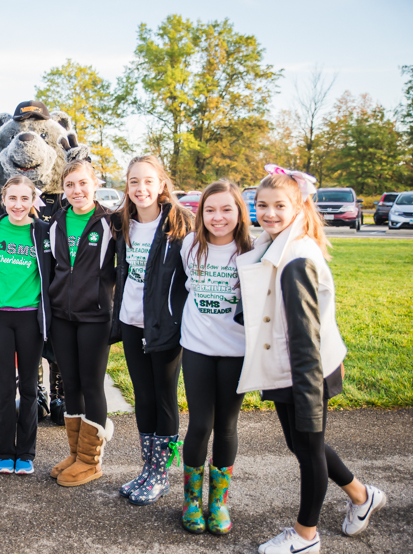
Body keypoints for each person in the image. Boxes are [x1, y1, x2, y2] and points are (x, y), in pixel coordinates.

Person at [238, 166, 386, 554]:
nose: (269, 213)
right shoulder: (275, 243)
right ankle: (362, 496)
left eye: (279, 206)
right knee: (303, 445)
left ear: (298, 206)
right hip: (288, 365)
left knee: (308, 451)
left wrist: (308, 400)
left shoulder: (296, 259)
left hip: (306, 372)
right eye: (262, 205)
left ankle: (306, 536)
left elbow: (305, 341)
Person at [110, 154, 192, 505]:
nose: (141, 188)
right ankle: (147, 469)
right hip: (131, 321)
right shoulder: (123, 223)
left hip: (165, 327)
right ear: (127, 187)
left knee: (163, 397)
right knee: (142, 396)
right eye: (134, 182)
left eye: (148, 181)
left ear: (161, 185)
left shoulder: (179, 225)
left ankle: (161, 475)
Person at [179, 180, 253, 535]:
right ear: (201, 214)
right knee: (199, 424)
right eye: (210, 210)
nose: (217, 217)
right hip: (197, 347)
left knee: (226, 426)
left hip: (237, 351)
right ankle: (192, 501)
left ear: (240, 213)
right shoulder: (190, 245)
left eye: (226, 209)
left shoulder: (252, 251)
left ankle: (218, 502)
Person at [47, 160, 116, 486]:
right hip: (62, 314)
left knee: (91, 385)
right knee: (70, 385)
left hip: (95, 316)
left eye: (83, 183)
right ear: (63, 188)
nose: (77, 191)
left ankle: (91, 461)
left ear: (95, 184)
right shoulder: (57, 221)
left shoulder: (110, 222)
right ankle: (75, 454)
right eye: (70, 185)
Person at [0, 175, 52, 475]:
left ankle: (25, 452)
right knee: (3, 388)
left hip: (30, 318)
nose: (18, 204)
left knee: (28, 386)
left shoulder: (43, 231)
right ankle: (5, 452)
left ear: (33, 201)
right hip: (0, 317)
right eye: (12, 198)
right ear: (3, 199)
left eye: (25, 198)